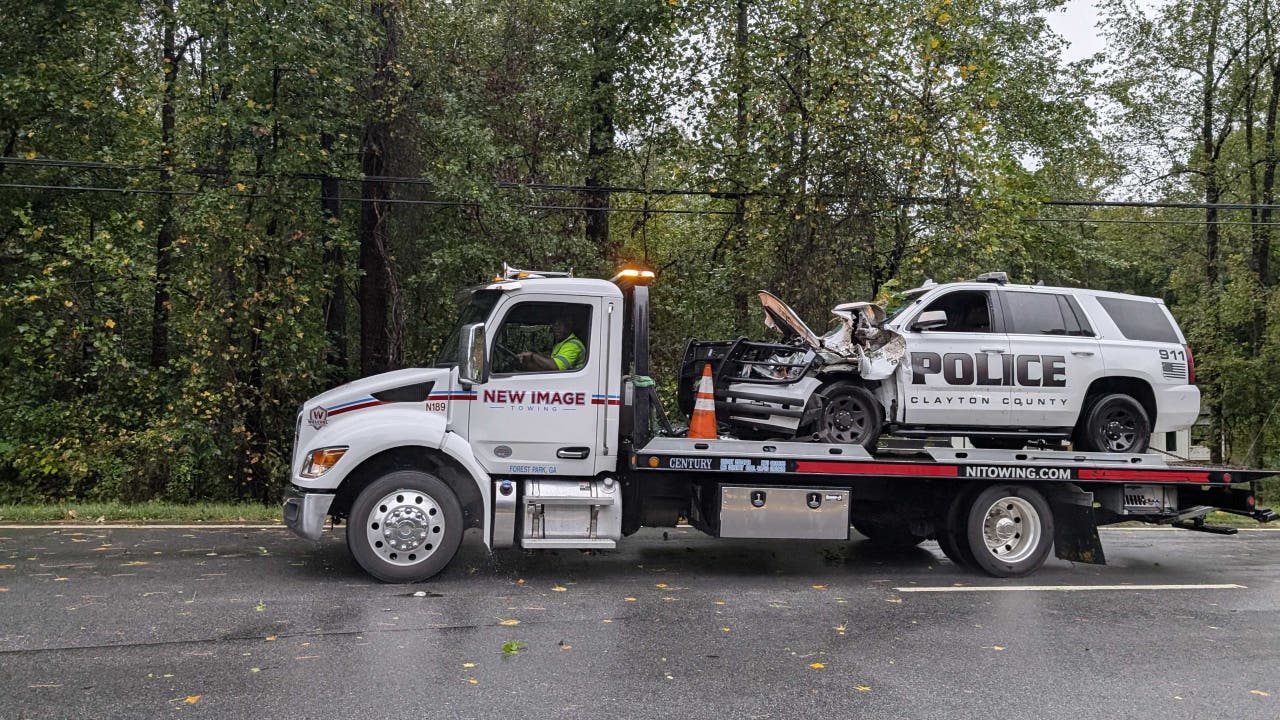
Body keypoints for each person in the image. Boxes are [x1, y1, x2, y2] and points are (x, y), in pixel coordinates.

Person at [518, 316, 585, 371]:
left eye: (560, 324)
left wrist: (532, 355)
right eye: (554, 325)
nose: (556, 328)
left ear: (569, 326)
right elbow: (552, 358)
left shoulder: (573, 345)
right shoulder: (561, 343)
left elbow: (555, 366)